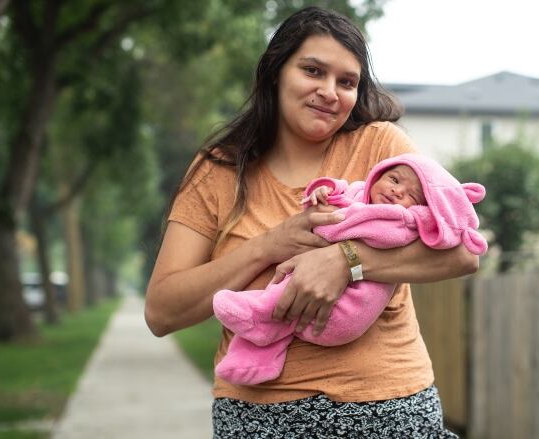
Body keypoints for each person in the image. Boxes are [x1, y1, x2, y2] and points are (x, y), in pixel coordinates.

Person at [144, 6, 477, 438]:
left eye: (347, 82)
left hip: (391, 411)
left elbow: (465, 251)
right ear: (276, 72)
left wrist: (348, 260)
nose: (329, 92)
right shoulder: (219, 171)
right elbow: (161, 311)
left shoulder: (383, 148)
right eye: (313, 71)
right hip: (259, 419)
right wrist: (269, 245)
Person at [212, 153, 488, 386]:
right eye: (393, 180)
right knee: (290, 295)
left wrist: (344, 254)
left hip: (348, 311)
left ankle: (259, 312)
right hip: (266, 402)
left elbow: (460, 256)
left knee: (290, 291)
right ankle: (254, 360)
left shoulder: (403, 220)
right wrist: (322, 193)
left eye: (412, 195)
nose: (396, 191)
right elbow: (339, 193)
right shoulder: (360, 193)